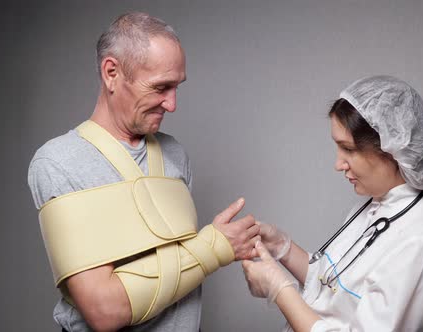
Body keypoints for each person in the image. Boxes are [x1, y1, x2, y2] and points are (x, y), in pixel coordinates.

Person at [28, 12, 260, 332]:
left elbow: (177, 276)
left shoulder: (174, 154)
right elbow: (104, 311)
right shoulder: (59, 162)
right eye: (160, 87)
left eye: (177, 87)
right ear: (112, 72)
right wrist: (215, 247)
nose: (172, 104)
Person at [242, 75, 423, 332]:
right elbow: (337, 291)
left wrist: (279, 290)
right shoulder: (379, 202)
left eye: (348, 149)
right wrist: (283, 249)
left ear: (391, 148)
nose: (338, 164)